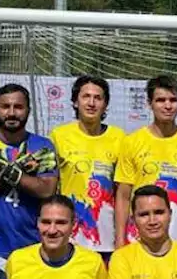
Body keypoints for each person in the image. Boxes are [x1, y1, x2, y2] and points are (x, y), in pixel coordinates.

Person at [0, 83, 59, 271]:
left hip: (32, 246)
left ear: (28, 110)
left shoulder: (42, 146)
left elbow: (47, 189)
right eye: (5, 107)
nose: (12, 113)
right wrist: (14, 173)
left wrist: (6, 173)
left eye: (18, 107)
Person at [114, 76, 177, 251]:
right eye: (160, 100)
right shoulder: (132, 142)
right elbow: (123, 196)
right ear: (149, 103)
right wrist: (120, 240)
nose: (167, 106)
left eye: (173, 100)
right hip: (138, 239)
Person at [50, 75, 125, 263]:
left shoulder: (119, 138)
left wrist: (121, 237)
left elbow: (123, 193)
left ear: (105, 105)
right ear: (75, 102)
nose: (91, 103)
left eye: (98, 98)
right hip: (70, 237)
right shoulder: (59, 136)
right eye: (86, 97)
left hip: (107, 237)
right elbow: (50, 188)